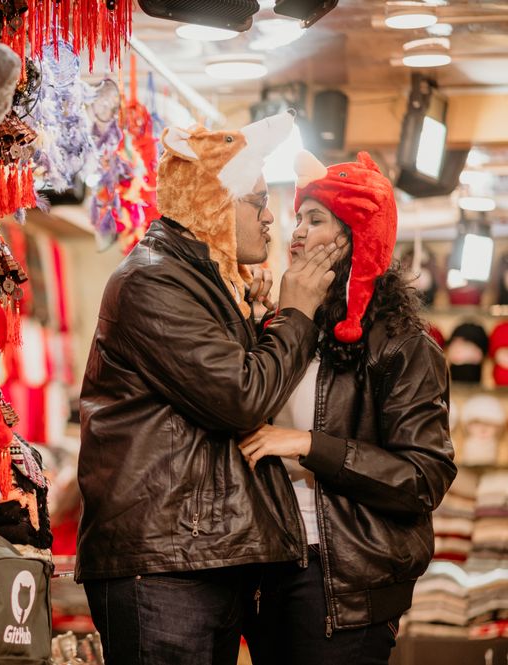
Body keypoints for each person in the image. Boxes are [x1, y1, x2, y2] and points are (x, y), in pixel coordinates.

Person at [76, 112, 346, 665]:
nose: (273, 220)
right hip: (164, 564)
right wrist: (296, 314)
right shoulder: (153, 280)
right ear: (215, 204)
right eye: (258, 202)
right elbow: (242, 397)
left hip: (195, 557)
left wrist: (260, 320)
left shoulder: (203, 282)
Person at [239, 150, 457, 665]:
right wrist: (253, 324)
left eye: (315, 219)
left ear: (355, 236)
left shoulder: (403, 346)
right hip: (271, 567)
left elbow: (424, 477)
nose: (295, 232)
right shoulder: (289, 331)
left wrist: (311, 446)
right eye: (297, 217)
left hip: (346, 582)